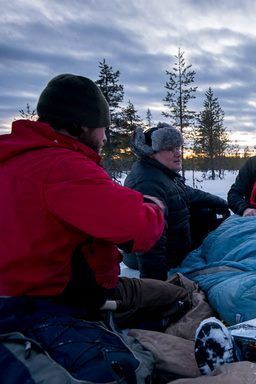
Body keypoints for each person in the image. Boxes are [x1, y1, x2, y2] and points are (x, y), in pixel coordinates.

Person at [0, 74, 167, 382]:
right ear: (80, 126)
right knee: (130, 367)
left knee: (166, 295)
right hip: (45, 308)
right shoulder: (62, 167)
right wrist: (155, 208)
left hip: (40, 297)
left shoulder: (18, 159)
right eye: (101, 126)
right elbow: (138, 229)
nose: (104, 136)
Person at [124, 123, 230, 280]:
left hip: (175, 247)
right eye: (169, 149)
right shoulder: (147, 183)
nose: (177, 153)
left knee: (206, 212)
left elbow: (187, 193)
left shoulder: (164, 173)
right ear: (151, 153)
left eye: (178, 147)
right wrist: (158, 288)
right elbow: (150, 244)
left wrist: (220, 203)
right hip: (155, 260)